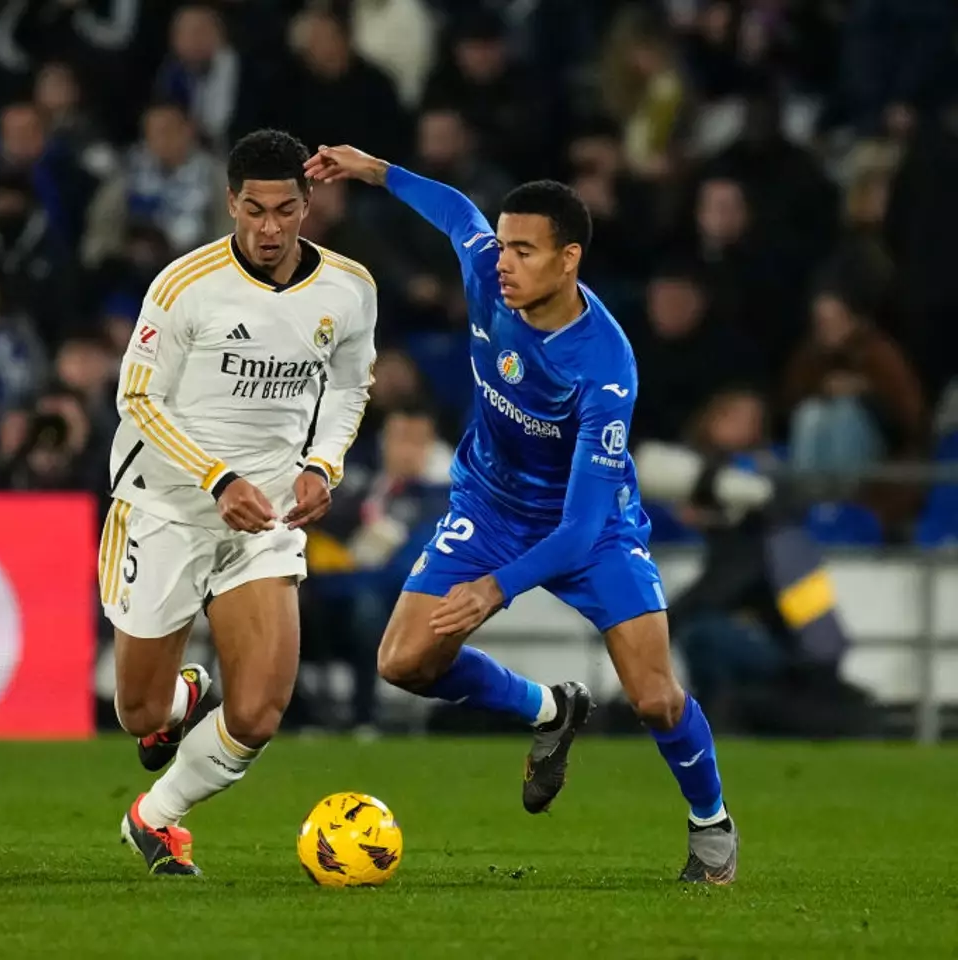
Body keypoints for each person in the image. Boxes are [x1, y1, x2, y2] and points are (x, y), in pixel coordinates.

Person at [306, 143, 738, 884]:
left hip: (590, 526)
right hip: (488, 503)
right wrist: (374, 170)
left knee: (656, 699)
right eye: (503, 246)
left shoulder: (603, 365)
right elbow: (456, 214)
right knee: (403, 660)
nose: (502, 262)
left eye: (524, 251)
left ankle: (711, 826)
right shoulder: (486, 272)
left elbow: (576, 529)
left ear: (568, 260)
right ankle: (549, 711)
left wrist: (493, 588)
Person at [104, 129, 377, 876]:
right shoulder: (184, 286)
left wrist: (323, 464)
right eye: (253, 209)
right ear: (230, 203)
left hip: (268, 516)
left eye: (285, 209)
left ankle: (155, 818)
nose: (268, 228)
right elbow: (136, 398)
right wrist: (217, 479)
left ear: (308, 203)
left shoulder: (350, 289)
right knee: (141, 714)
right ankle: (181, 693)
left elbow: (351, 385)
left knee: (258, 712)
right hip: (165, 504)